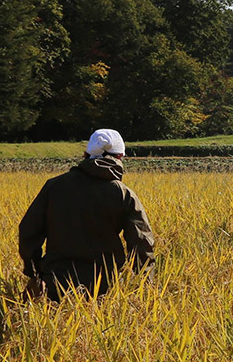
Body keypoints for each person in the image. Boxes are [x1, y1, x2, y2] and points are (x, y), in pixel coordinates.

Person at [19, 128, 155, 301]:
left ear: (85, 154)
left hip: (54, 283)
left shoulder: (54, 187)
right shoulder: (123, 194)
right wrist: (145, 285)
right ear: (120, 157)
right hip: (104, 287)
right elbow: (142, 243)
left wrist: (35, 273)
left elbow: (28, 231)